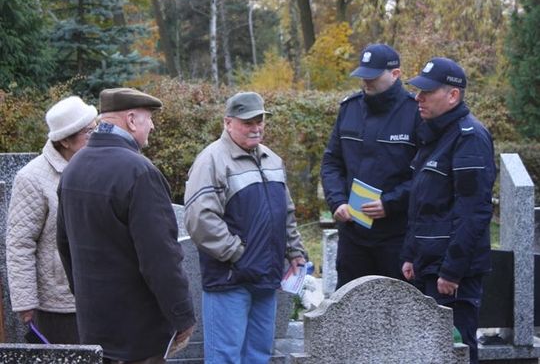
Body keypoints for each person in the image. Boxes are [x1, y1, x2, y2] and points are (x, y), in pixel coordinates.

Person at [56, 88, 195, 363]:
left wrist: (86, 297)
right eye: (148, 118)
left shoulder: (73, 167)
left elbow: (64, 245)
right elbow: (161, 258)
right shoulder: (139, 172)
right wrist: (183, 316)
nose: (153, 126)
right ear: (131, 120)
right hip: (138, 334)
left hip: (93, 326)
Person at [184, 91, 306, 364]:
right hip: (230, 280)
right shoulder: (212, 160)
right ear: (228, 123)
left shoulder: (272, 160)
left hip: (266, 278)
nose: (256, 127)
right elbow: (199, 219)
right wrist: (238, 254)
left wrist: (295, 252)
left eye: (260, 120)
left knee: (259, 357)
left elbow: (285, 212)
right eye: (248, 122)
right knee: (225, 358)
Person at [401, 57, 496, 364]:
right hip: (429, 266)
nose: (418, 98)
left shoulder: (470, 138)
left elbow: (473, 212)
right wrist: (410, 254)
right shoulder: (435, 135)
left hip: (452, 276)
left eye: (427, 92)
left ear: (453, 95)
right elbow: (424, 205)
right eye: (418, 91)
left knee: (456, 353)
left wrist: (452, 270)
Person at [320, 43, 421, 288]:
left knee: (395, 310)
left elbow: (425, 176)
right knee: (348, 309)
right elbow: (332, 162)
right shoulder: (349, 108)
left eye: (373, 77)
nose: (366, 82)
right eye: (363, 76)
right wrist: (337, 201)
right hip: (353, 234)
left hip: (396, 235)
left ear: (395, 74)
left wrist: (391, 203)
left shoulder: (414, 112)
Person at [6, 95, 97, 344]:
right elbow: (19, 243)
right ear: (65, 140)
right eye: (89, 131)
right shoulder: (32, 178)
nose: (96, 136)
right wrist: (26, 303)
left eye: (96, 127)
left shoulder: (96, 166)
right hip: (59, 303)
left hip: (101, 295)